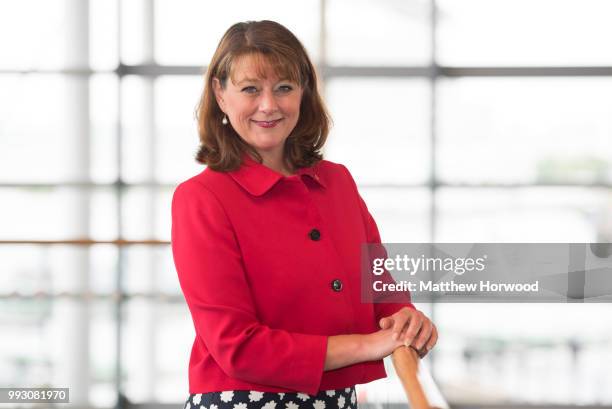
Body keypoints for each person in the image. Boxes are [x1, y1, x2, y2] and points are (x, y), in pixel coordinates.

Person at [171, 20, 437, 409]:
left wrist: (407, 320)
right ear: (220, 94)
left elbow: (378, 286)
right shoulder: (200, 199)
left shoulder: (338, 182)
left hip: (337, 399)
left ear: (304, 93)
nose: (269, 105)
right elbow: (237, 347)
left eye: (284, 88)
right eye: (250, 89)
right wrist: (370, 344)